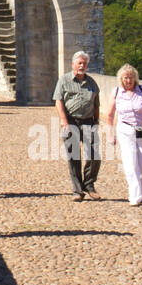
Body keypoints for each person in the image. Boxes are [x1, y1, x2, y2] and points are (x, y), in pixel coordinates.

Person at [107, 64, 142, 206]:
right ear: (121, 79)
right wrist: (110, 133)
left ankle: (139, 190)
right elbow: (110, 115)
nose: (128, 81)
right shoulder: (116, 92)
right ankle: (134, 195)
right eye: (125, 78)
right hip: (125, 130)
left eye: (131, 78)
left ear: (135, 78)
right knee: (130, 164)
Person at [53, 50, 102, 201]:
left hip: (88, 121)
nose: (82, 66)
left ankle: (89, 184)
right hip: (71, 121)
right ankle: (77, 190)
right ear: (73, 64)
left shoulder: (92, 82)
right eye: (79, 63)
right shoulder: (64, 80)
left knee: (94, 155)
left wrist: (96, 121)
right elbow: (58, 101)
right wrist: (64, 121)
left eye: (84, 63)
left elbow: (96, 104)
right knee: (74, 157)